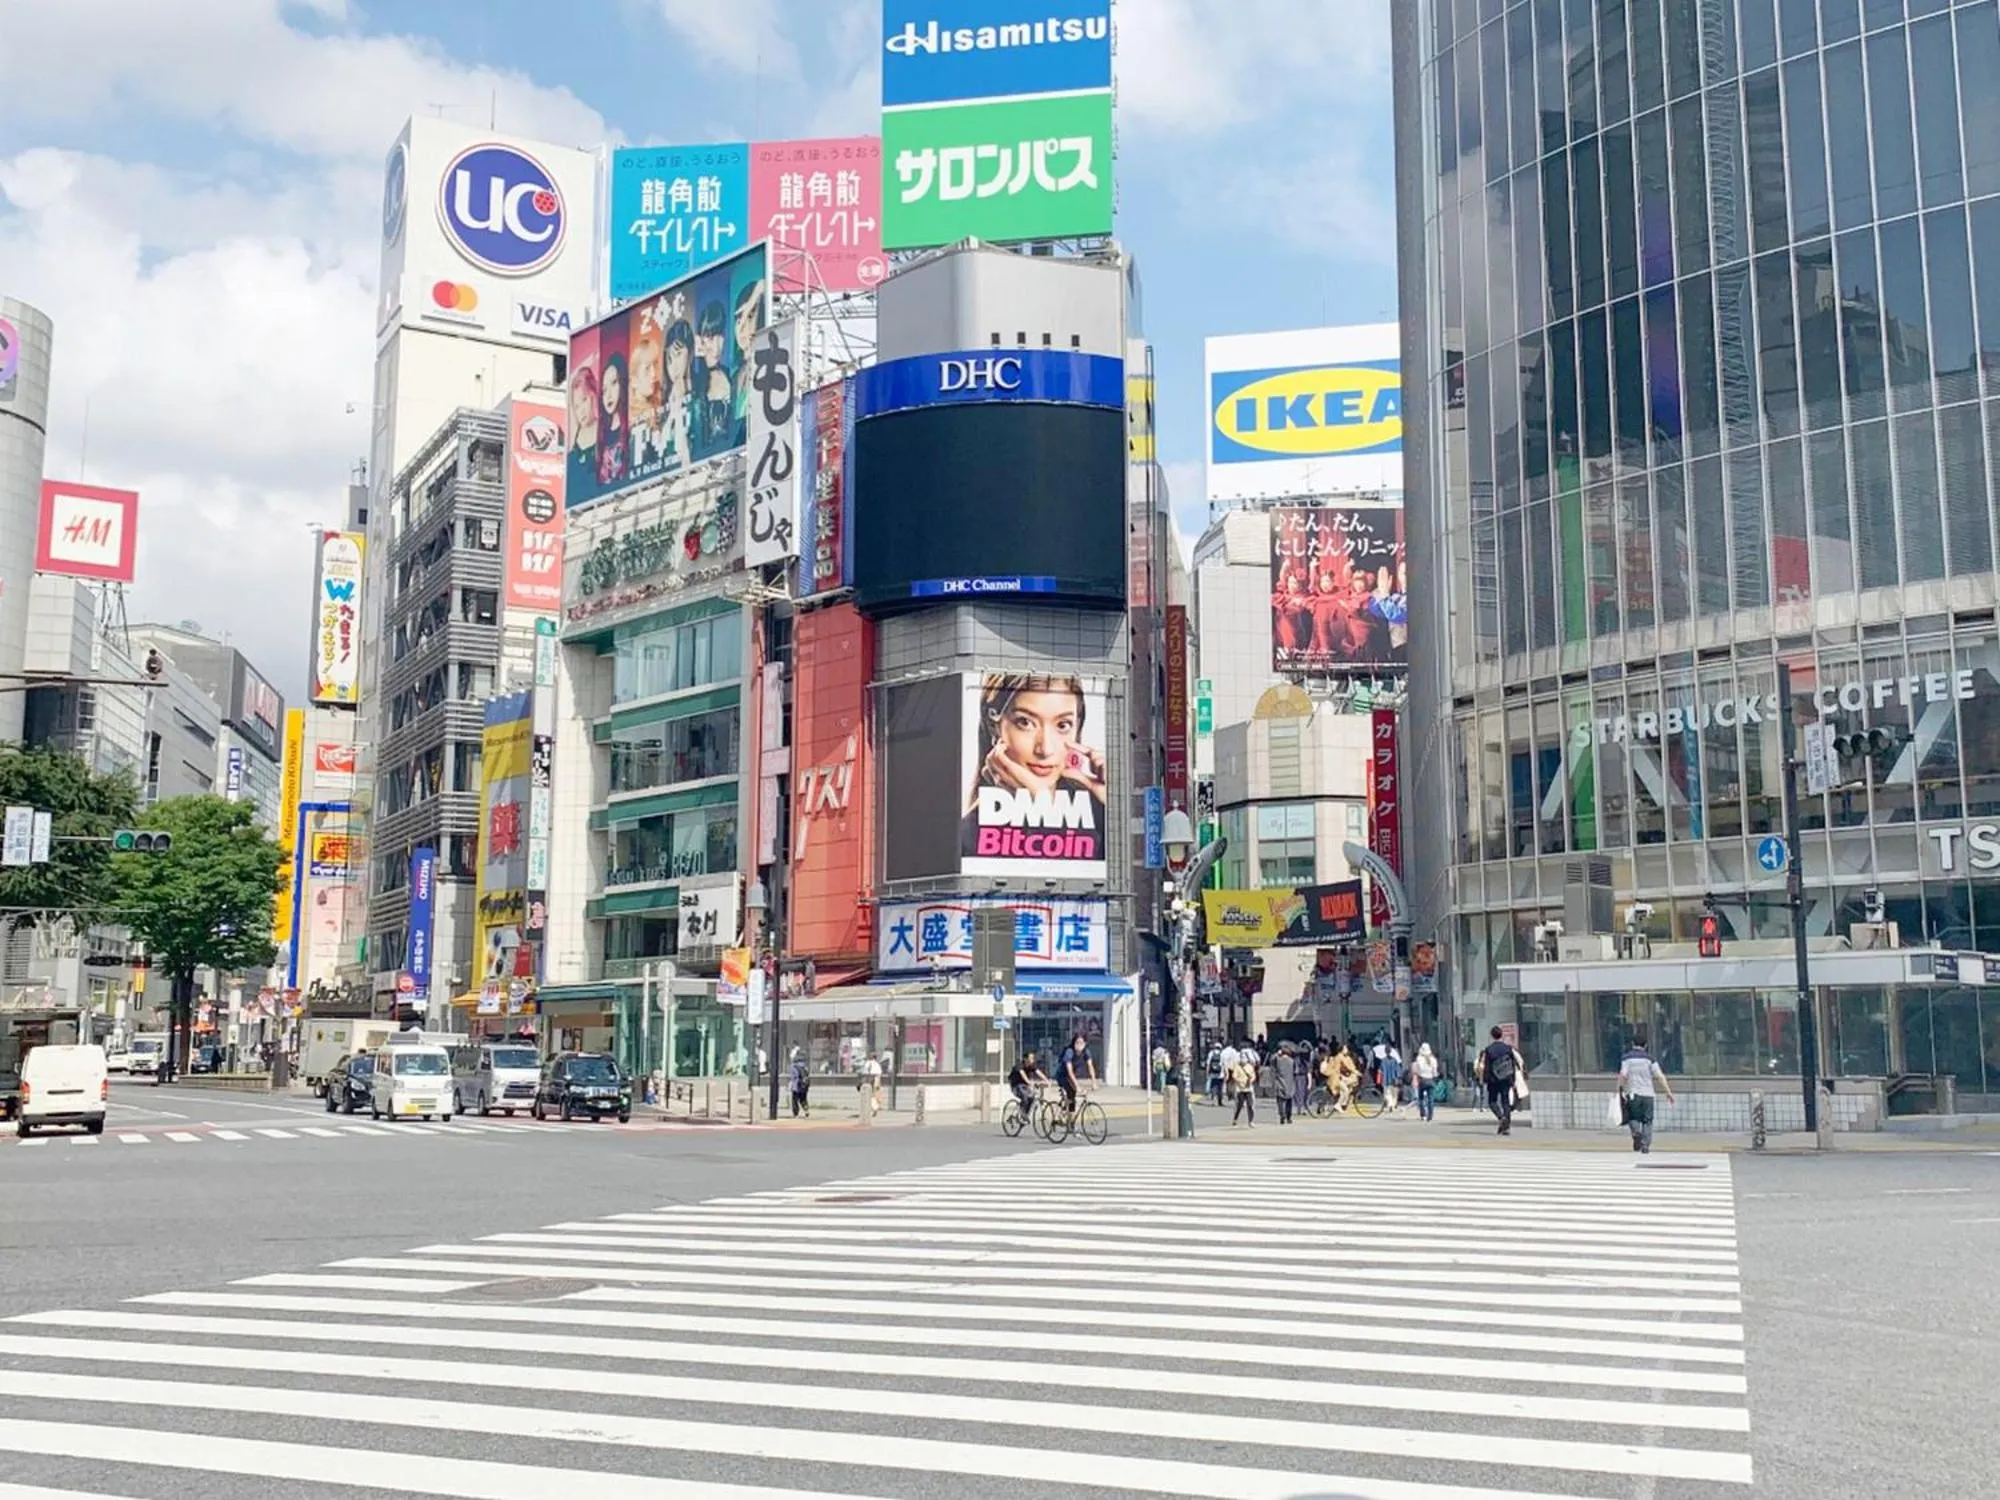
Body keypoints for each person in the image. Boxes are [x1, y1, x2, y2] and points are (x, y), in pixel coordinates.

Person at [958, 675, 1108, 865]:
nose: (1045, 749)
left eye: (1062, 725)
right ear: (994, 726)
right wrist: (1041, 809)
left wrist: (1116, 806)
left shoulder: (1099, 810)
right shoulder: (969, 838)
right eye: (1025, 722)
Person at [1618, 1036, 1676, 1154]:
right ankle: (1645, 1145)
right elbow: (1660, 1076)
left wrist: (1621, 1090)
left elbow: (1623, 1075)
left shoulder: (1626, 1058)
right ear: (1645, 1046)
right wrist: (1668, 1092)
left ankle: (1636, 1133)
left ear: (1633, 1044)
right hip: (1648, 1094)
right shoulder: (1650, 1059)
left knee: (1633, 1117)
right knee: (1647, 1121)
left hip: (1633, 1093)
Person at [1476, 1026, 1523, 1136]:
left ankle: (1501, 1118)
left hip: (1494, 1079)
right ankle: (1506, 1127)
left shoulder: (1489, 1049)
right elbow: (1512, 1064)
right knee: (1505, 1101)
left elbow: (1487, 1066)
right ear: (1501, 1035)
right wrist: (1513, 1080)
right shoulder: (1507, 1048)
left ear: (1492, 1036)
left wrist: (1485, 1080)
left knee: (1492, 1101)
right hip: (1506, 1078)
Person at [596, 352, 629, 489]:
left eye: (614, 383)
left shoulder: (631, 426)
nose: (608, 395)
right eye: (604, 390)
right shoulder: (601, 433)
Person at [1007, 1050, 1048, 1115]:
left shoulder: (1032, 1066)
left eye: (1033, 1058)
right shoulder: (1019, 1065)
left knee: (1032, 1097)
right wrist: (1029, 1082)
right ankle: (1022, 1113)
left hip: (1025, 1086)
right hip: (1016, 1086)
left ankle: (1025, 1115)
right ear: (1025, 1059)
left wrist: (1046, 1080)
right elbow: (1023, 1074)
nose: (1032, 1060)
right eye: (1031, 1058)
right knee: (1025, 1096)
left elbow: (1039, 1073)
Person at [1412, 1042, 1441, 1122]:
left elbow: (1418, 1070)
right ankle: (1430, 1116)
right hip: (1431, 1080)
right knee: (1430, 1099)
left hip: (1422, 1079)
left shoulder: (1419, 1058)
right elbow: (1435, 1071)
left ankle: (1423, 1114)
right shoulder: (1433, 1059)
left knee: (1421, 1098)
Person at [1229, 1047, 1257, 1127]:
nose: (1243, 1060)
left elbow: (1253, 1076)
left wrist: (1251, 1081)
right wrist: (1239, 1082)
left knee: (1250, 1105)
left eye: (1244, 1059)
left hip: (1248, 1088)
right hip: (1240, 1089)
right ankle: (1235, 1119)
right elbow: (1234, 1076)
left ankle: (1251, 1121)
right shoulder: (1237, 1067)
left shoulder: (1250, 1066)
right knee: (1239, 1105)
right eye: (1242, 1058)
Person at [1272, 1044, 1298, 1125]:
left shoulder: (1278, 1060)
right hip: (1290, 1083)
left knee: (1280, 1100)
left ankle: (1282, 1115)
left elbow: (1272, 1062)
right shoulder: (1292, 1061)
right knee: (1289, 1101)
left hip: (1280, 1082)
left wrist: (1276, 1054)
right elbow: (1296, 1071)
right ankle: (1289, 1117)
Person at [787, 1048, 810, 1118]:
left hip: (796, 1086)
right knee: (803, 1099)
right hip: (804, 1086)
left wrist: (790, 1085)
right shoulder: (805, 1066)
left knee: (795, 1100)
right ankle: (806, 1110)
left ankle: (796, 1114)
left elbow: (794, 1077)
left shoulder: (794, 1066)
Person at [1205, 1042, 1225, 1107]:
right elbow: (1224, 1064)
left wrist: (1207, 1072)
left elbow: (1208, 1064)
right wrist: (1225, 1073)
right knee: (1220, 1088)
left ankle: (1214, 1101)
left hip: (1212, 1073)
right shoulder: (1222, 1054)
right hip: (1221, 1074)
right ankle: (1220, 1101)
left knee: (1213, 1087)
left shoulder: (1211, 1053)